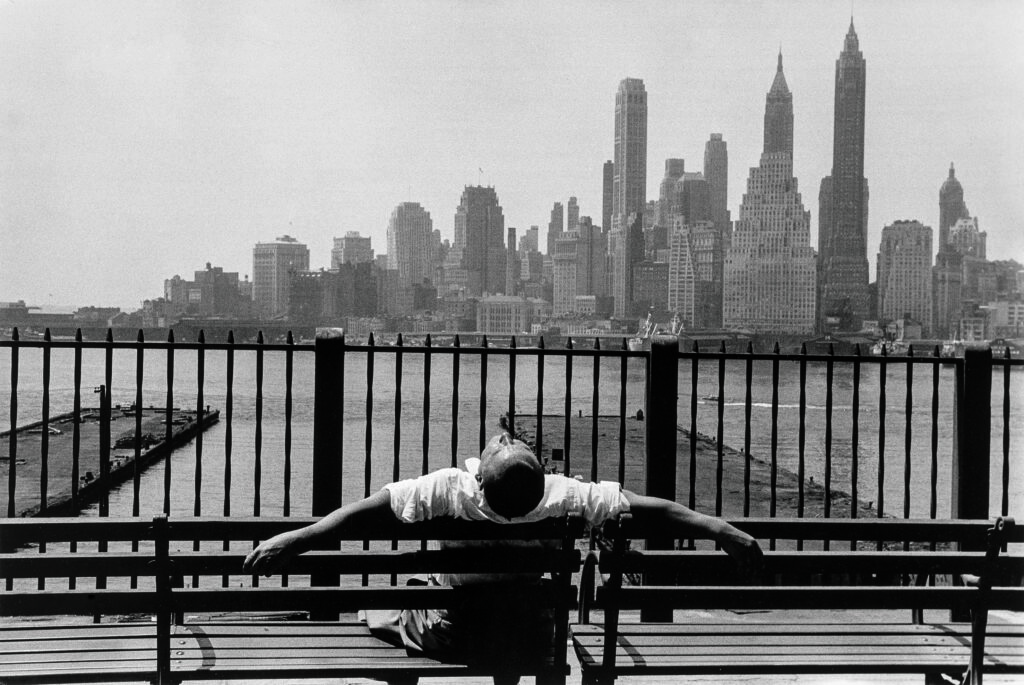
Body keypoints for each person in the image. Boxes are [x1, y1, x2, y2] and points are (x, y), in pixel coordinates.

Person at [243, 431, 763, 684]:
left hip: (460, 633)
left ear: (480, 477)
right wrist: (720, 529)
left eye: (502, 443)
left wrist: (296, 538)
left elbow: (364, 514)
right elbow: (651, 510)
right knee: (519, 609)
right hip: (528, 635)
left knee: (393, 607)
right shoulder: (562, 496)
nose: (502, 437)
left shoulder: (449, 489)